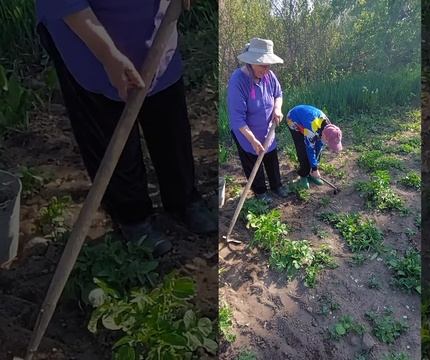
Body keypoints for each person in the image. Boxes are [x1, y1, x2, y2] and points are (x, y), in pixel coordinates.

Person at [35, 0, 217, 257]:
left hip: (155, 27)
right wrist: (109, 56)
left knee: (169, 121)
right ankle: (133, 216)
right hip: (85, 32)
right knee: (108, 131)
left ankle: (183, 199)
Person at [227, 38, 289, 203]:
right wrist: (253, 141)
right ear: (251, 62)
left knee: (271, 157)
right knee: (252, 161)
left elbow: (278, 94)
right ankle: (260, 191)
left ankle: (276, 185)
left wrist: (277, 109)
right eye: (263, 65)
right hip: (246, 133)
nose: (267, 69)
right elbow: (237, 119)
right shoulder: (238, 81)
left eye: (269, 65)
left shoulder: (268, 75)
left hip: (267, 129)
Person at [286, 104, 343, 189]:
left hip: (308, 121)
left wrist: (314, 167)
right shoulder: (311, 129)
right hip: (294, 119)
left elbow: (319, 146)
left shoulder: (329, 128)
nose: (329, 145)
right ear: (325, 137)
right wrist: (315, 167)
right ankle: (304, 175)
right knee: (303, 150)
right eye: (329, 142)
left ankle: (312, 173)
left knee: (317, 148)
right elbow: (310, 149)